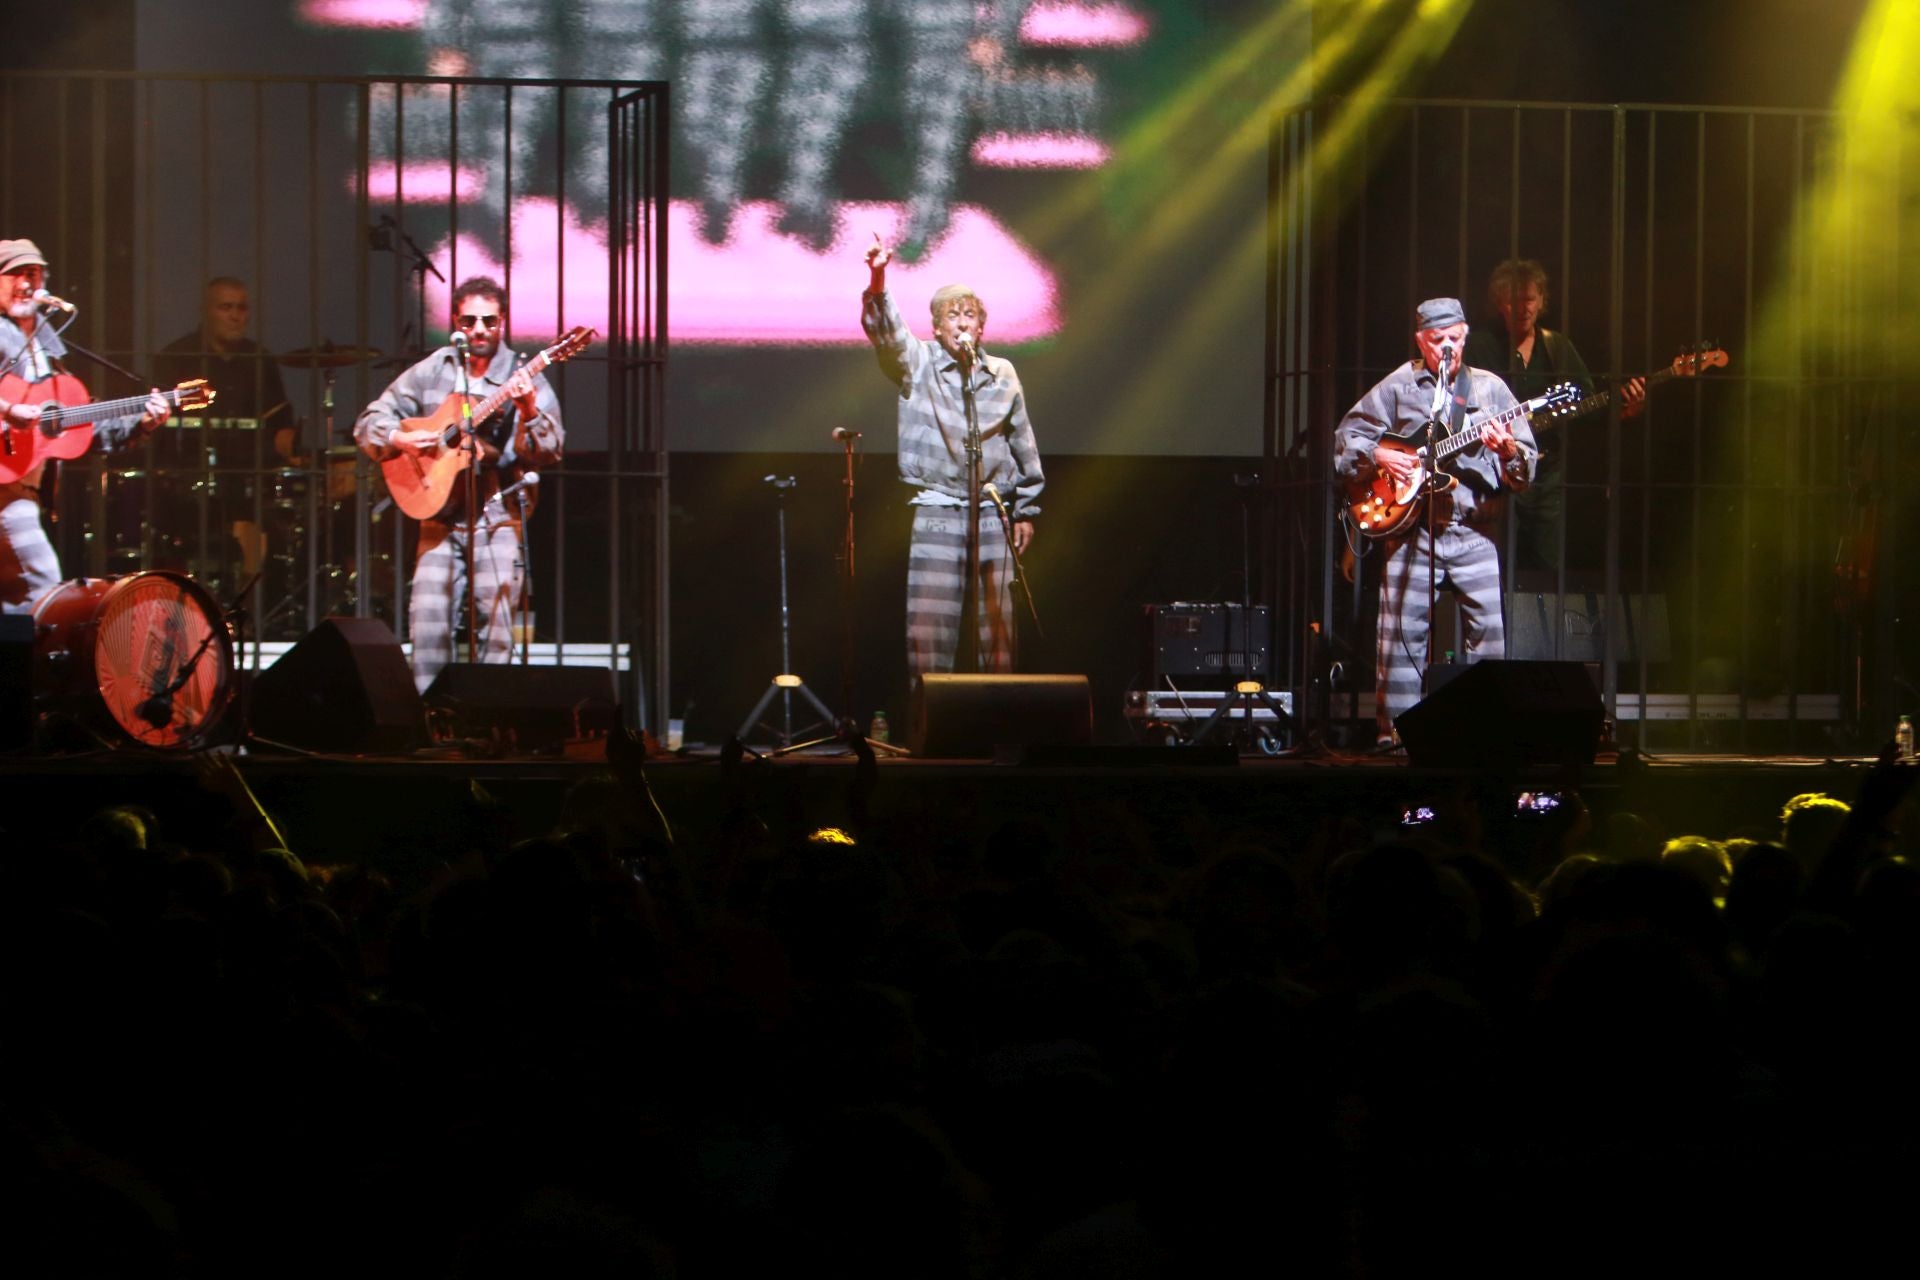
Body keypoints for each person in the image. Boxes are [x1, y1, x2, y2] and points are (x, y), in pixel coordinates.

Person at [1335, 297, 1537, 746]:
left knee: (1488, 640)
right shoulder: (1399, 385)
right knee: (1399, 640)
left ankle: (1485, 736)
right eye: (1437, 339)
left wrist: (1508, 452)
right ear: (1420, 340)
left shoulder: (1490, 390)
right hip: (1413, 532)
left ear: (1465, 336)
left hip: (1475, 531)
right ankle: (1395, 737)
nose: (1447, 347)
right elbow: (1346, 439)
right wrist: (1378, 453)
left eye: (1455, 338)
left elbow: (1525, 470)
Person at [353, 276, 563, 692]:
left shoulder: (522, 374)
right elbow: (369, 422)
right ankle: (432, 720)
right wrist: (399, 438)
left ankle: (489, 719)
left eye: (489, 321)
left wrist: (528, 410)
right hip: (440, 518)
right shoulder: (434, 369)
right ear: (455, 321)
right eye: (469, 321)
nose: (479, 329)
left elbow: (551, 448)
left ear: (502, 321)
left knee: (499, 631)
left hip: (498, 515)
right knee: (428, 628)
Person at [861, 234, 1044, 676]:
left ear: (981, 327)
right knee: (930, 628)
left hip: (993, 511)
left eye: (969, 315)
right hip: (938, 507)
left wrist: (1025, 509)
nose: (962, 323)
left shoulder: (1002, 373)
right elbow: (888, 335)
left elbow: (1023, 441)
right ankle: (930, 711)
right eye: (952, 315)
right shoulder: (919, 363)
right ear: (938, 327)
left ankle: (998, 712)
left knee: (998, 627)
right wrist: (879, 279)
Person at [0, 238, 173, 613]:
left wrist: (142, 422)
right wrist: (7, 409)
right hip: (6, 495)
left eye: (34, 274)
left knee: (15, 606)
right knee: (42, 590)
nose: (26, 283)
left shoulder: (48, 349)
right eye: (15, 274)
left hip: (22, 488)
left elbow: (76, 429)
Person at [1461, 259, 1643, 574]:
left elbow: (1586, 405)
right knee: (1496, 565)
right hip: (1492, 474)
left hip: (1546, 476)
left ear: (1542, 300)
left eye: (1530, 299)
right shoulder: (1478, 346)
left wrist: (1624, 411)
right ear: (1500, 303)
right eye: (1514, 300)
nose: (1523, 308)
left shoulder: (1556, 346)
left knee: (1546, 566)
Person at [152, 277, 291, 425]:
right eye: (226, 307)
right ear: (205, 312)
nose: (235, 316)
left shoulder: (261, 360)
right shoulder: (175, 358)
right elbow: (156, 422)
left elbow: (281, 423)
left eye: (242, 308)